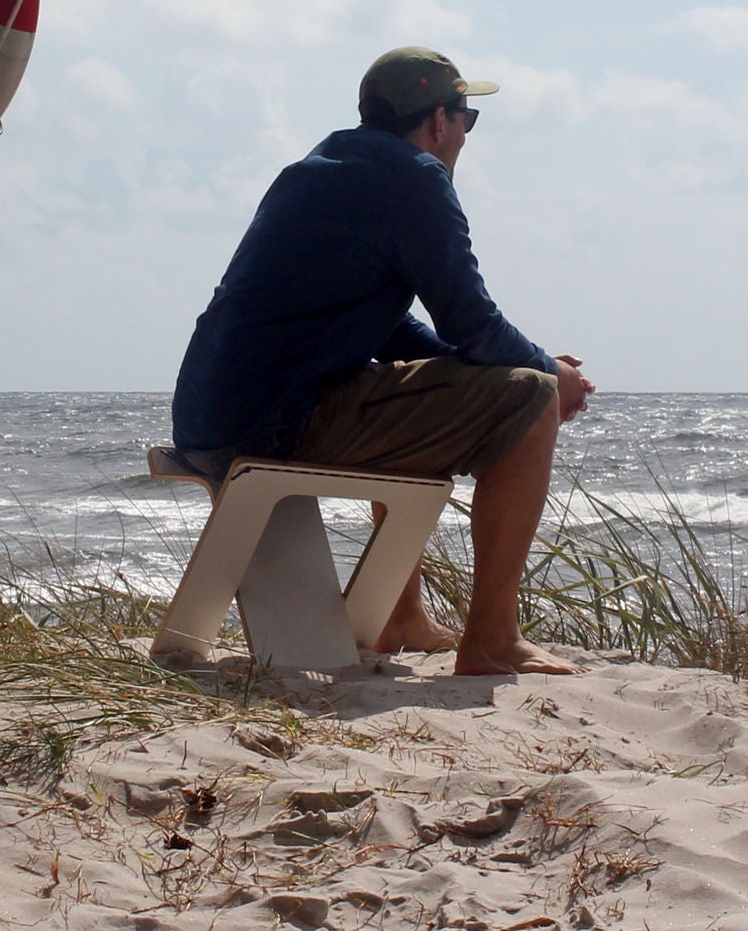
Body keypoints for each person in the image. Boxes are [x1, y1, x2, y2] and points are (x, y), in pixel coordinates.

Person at [169, 46, 594, 676]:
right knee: (529, 399)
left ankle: (402, 616)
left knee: (412, 385)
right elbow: (471, 321)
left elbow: (390, 328)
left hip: (213, 417)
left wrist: (487, 367)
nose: (464, 136)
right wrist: (546, 373)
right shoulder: (415, 177)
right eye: (467, 119)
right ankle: (492, 641)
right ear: (440, 122)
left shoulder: (314, 170)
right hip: (274, 422)